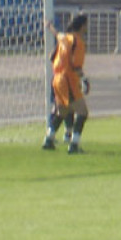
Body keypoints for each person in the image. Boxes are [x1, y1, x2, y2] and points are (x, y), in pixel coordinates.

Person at [42, 14, 89, 154]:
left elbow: (57, 34)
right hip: (67, 79)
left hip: (56, 79)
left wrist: (49, 26)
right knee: (83, 112)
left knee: (62, 112)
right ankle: (74, 144)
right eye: (86, 25)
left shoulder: (64, 37)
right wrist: (84, 80)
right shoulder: (78, 42)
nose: (87, 28)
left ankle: (49, 139)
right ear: (82, 26)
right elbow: (76, 65)